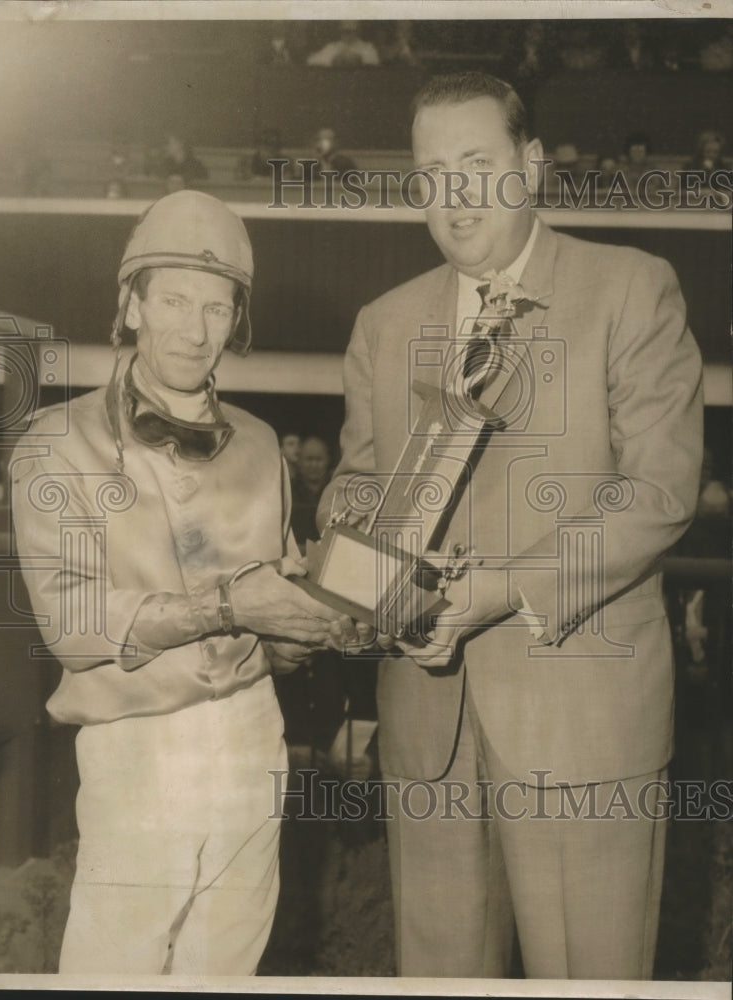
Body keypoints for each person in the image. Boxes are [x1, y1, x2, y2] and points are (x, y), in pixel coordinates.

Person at [319, 72, 703, 980]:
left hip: (583, 721)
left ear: (529, 166)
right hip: (427, 729)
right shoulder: (384, 323)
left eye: (477, 164)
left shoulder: (631, 289)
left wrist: (501, 587)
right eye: (431, 173)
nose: (453, 197)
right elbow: (349, 489)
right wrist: (384, 583)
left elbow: (657, 492)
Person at [11, 190, 367, 976]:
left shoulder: (263, 444)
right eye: (172, 299)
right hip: (140, 746)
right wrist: (228, 604)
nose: (194, 328)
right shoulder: (54, 443)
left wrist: (321, 623)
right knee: (117, 966)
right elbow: (71, 625)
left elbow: (275, 623)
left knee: (227, 969)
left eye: (216, 307)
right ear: (130, 304)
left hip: (252, 736)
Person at [290, 435, 332, 555]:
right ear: (299, 461)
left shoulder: (336, 490)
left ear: (328, 460)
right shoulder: (288, 491)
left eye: (319, 459)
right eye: (309, 459)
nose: (314, 465)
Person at [306, 20, 380, 68]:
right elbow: (311, 61)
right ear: (340, 32)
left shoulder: (367, 47)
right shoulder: (332, 47)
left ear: (357, 31)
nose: (348, 35)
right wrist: (333, 60)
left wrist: (359, 59)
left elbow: (375, 61)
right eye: (345, 31)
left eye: (351, 31)